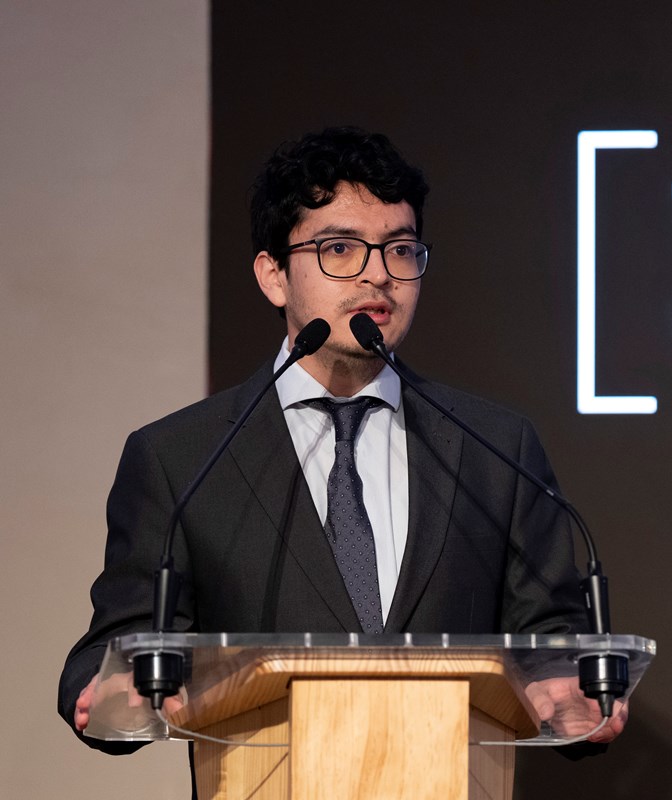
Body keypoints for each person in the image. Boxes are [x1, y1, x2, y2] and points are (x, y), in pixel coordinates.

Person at [59, 127, 625, 753]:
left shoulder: (496, 448)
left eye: (401, 250)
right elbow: (119, 646)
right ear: (274, 276)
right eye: (339, 248)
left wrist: (565, 690)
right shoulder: (181, 458)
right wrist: (112, 691)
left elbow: (552, 637)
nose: (378, 275)